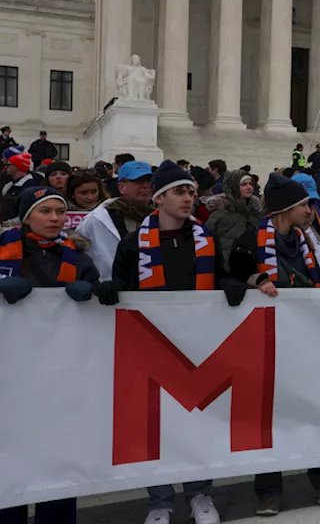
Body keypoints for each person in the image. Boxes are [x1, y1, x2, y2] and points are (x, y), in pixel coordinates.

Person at [228, 173, 320, 516]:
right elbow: (226, 276)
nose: (309, 209)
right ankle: (268, 490)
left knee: (317, 410)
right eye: (304, 203)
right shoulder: (249, 240)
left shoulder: (306, 241)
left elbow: (314, 284)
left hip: (307, 341)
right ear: (286, 208)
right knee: (270, 417)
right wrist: (252, 279)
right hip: (267, 344)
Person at [103, 161, 224, 524]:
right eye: (180, 192)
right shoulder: (131, 244)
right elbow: (122, 284)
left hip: (196, 346)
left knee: (197, 423)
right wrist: (113, 289)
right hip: (150, 347)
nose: (189, 198)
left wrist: (233, 284)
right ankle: (159, 501)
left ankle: (200, 493)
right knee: (154, 427)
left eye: (191, 191)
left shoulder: (206, 240)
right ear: (159, 199)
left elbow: (220, 279)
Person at [0, 186, 101, 524]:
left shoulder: (80, 257)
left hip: (60, 378)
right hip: (11, 378)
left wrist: (95, 290)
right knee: (9, 463)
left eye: (60, 211)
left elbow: (97, 301)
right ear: (27, 216)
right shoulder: (3, 251)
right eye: (46, 211)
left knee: (57, 463)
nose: (55, 218)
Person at [78, 161, 155, 277]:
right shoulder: (97, 219)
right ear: (121, 187)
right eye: (138, 181)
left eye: (149, 181)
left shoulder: (163, 216)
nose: (145, 186)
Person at [203, 169, 261, 269]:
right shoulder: (219, 214)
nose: (249, 187)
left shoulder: (256, 213)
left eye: (250, 184)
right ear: (233, 186)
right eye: (244, 184)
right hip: (228, 272)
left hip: (255, 269)